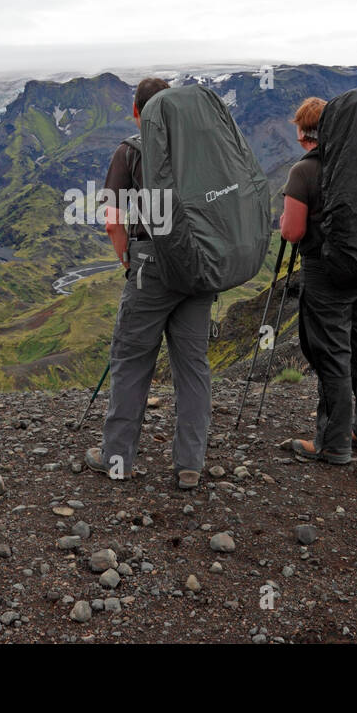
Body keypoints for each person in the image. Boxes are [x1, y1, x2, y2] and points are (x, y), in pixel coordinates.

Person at [83, 77, 215, 490]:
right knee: (193, 367)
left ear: (138, 111)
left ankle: (117, 457)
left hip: (150, 265)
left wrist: (126, 257)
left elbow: (111, 217)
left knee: (132, 360)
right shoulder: (201, 148)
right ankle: (190, 465)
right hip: (198, 266)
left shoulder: (130, 150)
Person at [279, 96, 357, 464]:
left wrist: (284, 221)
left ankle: (333, 443)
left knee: (332, 353)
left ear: (302, 132)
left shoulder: (304, 171)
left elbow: (293, 232)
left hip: (325, 275)